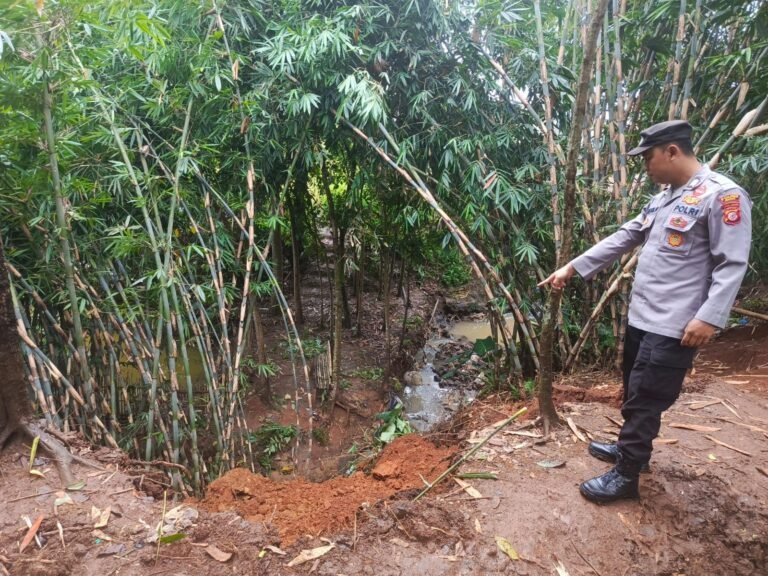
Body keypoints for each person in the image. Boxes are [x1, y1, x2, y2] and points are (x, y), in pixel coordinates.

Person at [539, 120, 753, 503]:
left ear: (672, 151)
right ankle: (632, 452)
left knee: (646, 398)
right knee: (634, 390)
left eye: (648, 158)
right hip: (643, 317)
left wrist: (709, 317)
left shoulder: (721, 196)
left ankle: (626, 477)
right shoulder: (665, 196)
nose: (646, 167)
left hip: (676, 325)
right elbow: (626, 236)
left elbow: (731, 264)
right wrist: (573, 266)